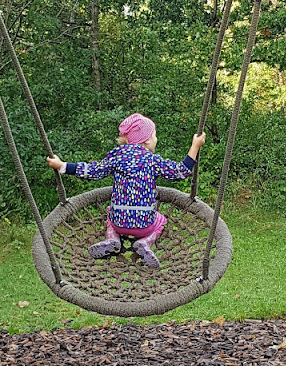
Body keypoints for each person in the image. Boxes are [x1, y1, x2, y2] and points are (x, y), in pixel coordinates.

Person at [47, 113, 206, 269]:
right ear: (146, 140)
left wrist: (62, 166)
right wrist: (195, 146)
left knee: (110, 211)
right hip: (146, 224)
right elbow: (181, 171)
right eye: (154, 136)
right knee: (161, 220)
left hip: (118, 223)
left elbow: (92, 171)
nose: (156, 140)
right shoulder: (152, 161)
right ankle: (145, 242)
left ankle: (113, 238)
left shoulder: (115, 157)